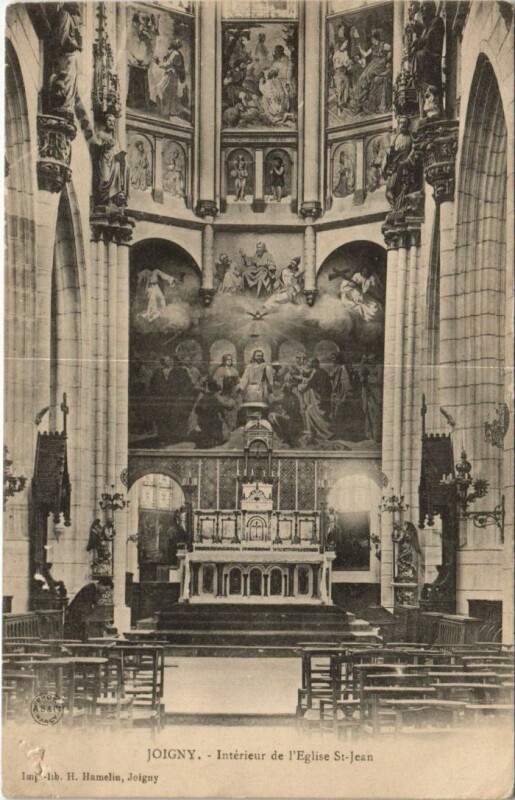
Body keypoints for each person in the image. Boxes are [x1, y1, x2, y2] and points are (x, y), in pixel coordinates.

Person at [353, 29, 392, 115]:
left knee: (368, 75)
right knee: (362, 76)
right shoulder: (373, 47)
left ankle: (364, 93)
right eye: (371, 39)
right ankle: (360, 96)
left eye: (372, 39)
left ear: (376, 38)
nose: (372, 41)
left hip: (380, 65)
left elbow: (390, 51)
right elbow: (366, 54)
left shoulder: (384, 45)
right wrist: (360, 49)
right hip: (373, 64)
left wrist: (387, 61)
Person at [92, 114, 126, 207]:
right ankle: (101, 201)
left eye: (113, 122)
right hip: (104, 160)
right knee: (105, 179)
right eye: (109, 121)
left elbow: (118, 148)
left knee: (115, 181)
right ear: (105, 122)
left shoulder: (115, 136)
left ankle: (110, 200)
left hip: (114, 161)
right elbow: (96, 148)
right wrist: (105, 145)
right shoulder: (100, 134)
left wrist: (120, 154)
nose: (112, 123)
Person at [299, 358, 334, 444]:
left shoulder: (317, 373)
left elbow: (309, 385)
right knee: (312, 412)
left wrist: (300, 387)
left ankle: (323, 434)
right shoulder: (321, 371)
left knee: (309, 411)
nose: (308, 363)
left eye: (309, 362)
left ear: (314, 364)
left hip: (319, 398)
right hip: (322, 397)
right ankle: (317, 433)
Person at [153, 40, 186, 118]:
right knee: (169, 92)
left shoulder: (175, 54)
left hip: (171, 75)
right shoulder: (175, 53)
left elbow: (168, 64)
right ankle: (168, 110)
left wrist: (158, 63)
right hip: (171, 74)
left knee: (165, 91)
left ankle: (166, 110)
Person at [212, 354, 240, 431]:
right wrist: (220, 382)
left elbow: (237, 381)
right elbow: (215, 379)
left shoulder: (234, 370)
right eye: (227, 359)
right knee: (224, 409)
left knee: (233, 407)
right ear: (224, 360)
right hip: (223, 391)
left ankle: (232, 426)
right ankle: (225, 426)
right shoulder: (220, 369)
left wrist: (236, 387)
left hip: (232, 391)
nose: (229, 361)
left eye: (230, 359)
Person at [328, 351, 352, 423]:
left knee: (339, 405)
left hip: (340, 389)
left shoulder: (342, 367)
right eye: (332, 358)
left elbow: (345, 380)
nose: (333, 359)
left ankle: (338, 421)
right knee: (333, 404)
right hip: (333, 388)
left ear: (338, 358)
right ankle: (334, 420)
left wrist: (345, 390)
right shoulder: (332, 366)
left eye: (334, 358)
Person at [332, 39, 353, 114]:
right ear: (341, 44)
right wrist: (344, 64)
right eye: (345, 43)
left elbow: (347, 62)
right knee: (339, 90)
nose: (346, 45)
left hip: (344, 73)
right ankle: (339, 108)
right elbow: (337, 65)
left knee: (346, 88)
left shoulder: (345, 52)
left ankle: (344, 104)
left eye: (347, 44)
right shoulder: (337, 54)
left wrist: (349, 65)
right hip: (338, 74)